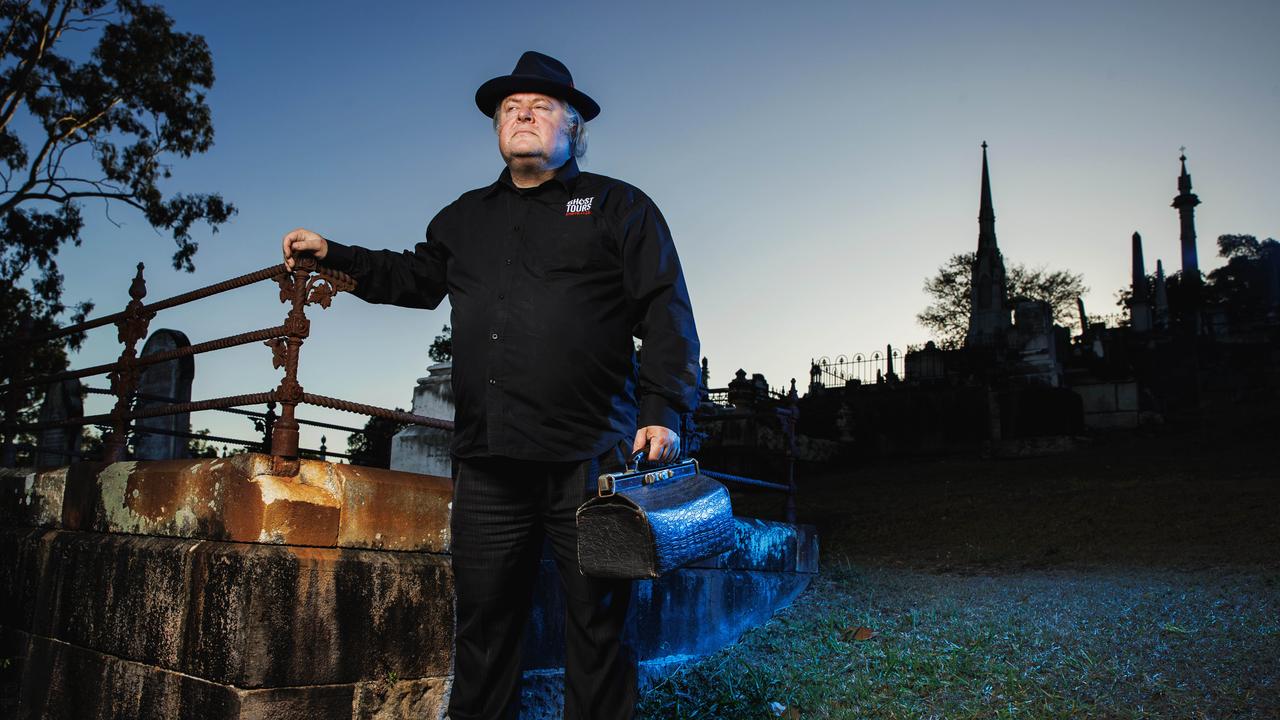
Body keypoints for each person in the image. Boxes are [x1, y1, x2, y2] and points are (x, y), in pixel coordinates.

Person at [281, 51, 700, 720]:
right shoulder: (464, 218)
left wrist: (665, 408)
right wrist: (336, 255)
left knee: (597, 630)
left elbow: (665, 309)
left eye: (540, 106)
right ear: (497, 130)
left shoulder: (621, 207)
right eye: (510, 108)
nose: (523, 114)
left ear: (573, 128)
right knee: (482, 631)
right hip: (489, 464)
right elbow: (413, 278)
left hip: (590, 457)